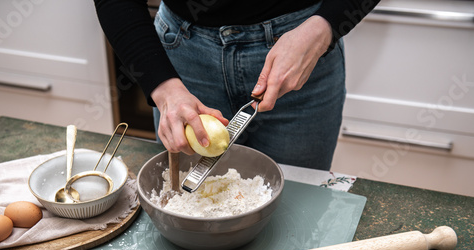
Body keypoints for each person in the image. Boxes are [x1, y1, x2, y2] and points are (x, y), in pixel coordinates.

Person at [94, 0, 380, 170]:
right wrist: (165, 88)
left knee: (297, 210)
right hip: (181, 61)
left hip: (300, 49)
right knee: (189, 210)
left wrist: (325, 27)